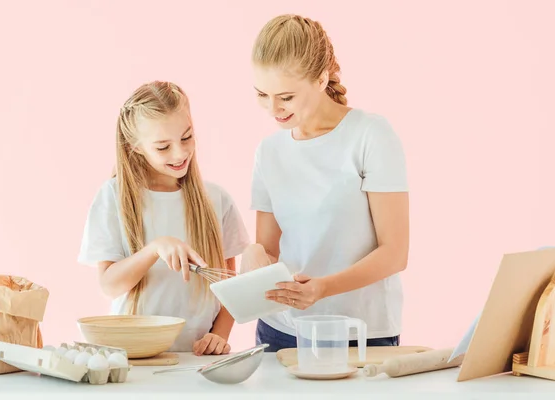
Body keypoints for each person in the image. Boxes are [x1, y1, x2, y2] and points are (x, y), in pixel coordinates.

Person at [241, 14, 410, 352]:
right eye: (262, 94)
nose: (272, 109)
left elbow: (395, 253)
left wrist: (323, 288)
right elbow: (269, 249)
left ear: (321, 80)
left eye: (286, 97)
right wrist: (253, 255)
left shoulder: (370, 136)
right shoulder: (270, 151)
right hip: (280, 331)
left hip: (360, 332)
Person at [78, 81, 250, 355]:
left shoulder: (217, 200)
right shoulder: (114, 197)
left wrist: (219, 335)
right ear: (135, 146)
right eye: (162, 147)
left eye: (186, 137)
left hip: (195, 356)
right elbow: (109, 285)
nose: (180, 153)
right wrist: (155, 248)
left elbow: (228, 283)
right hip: (131, 355)